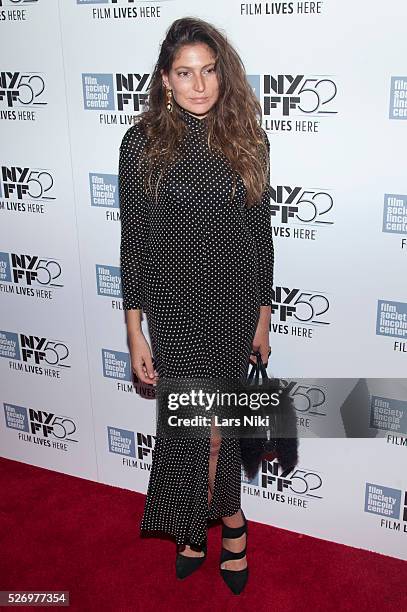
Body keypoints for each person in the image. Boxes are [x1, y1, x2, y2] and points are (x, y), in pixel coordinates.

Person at [119, 17, 273, 595]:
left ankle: (219, 522)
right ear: (165, 80)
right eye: (185, 73)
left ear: (222, 75)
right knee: (192, 426)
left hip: (234, 304)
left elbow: (261, 237)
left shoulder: (248, 140)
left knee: (217, 426)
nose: (200, 85)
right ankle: (216, 519)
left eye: (209, 71)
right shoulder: (141, 144)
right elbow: (133, 242)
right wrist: (136, 333)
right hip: (176, 307)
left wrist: (262, 317)